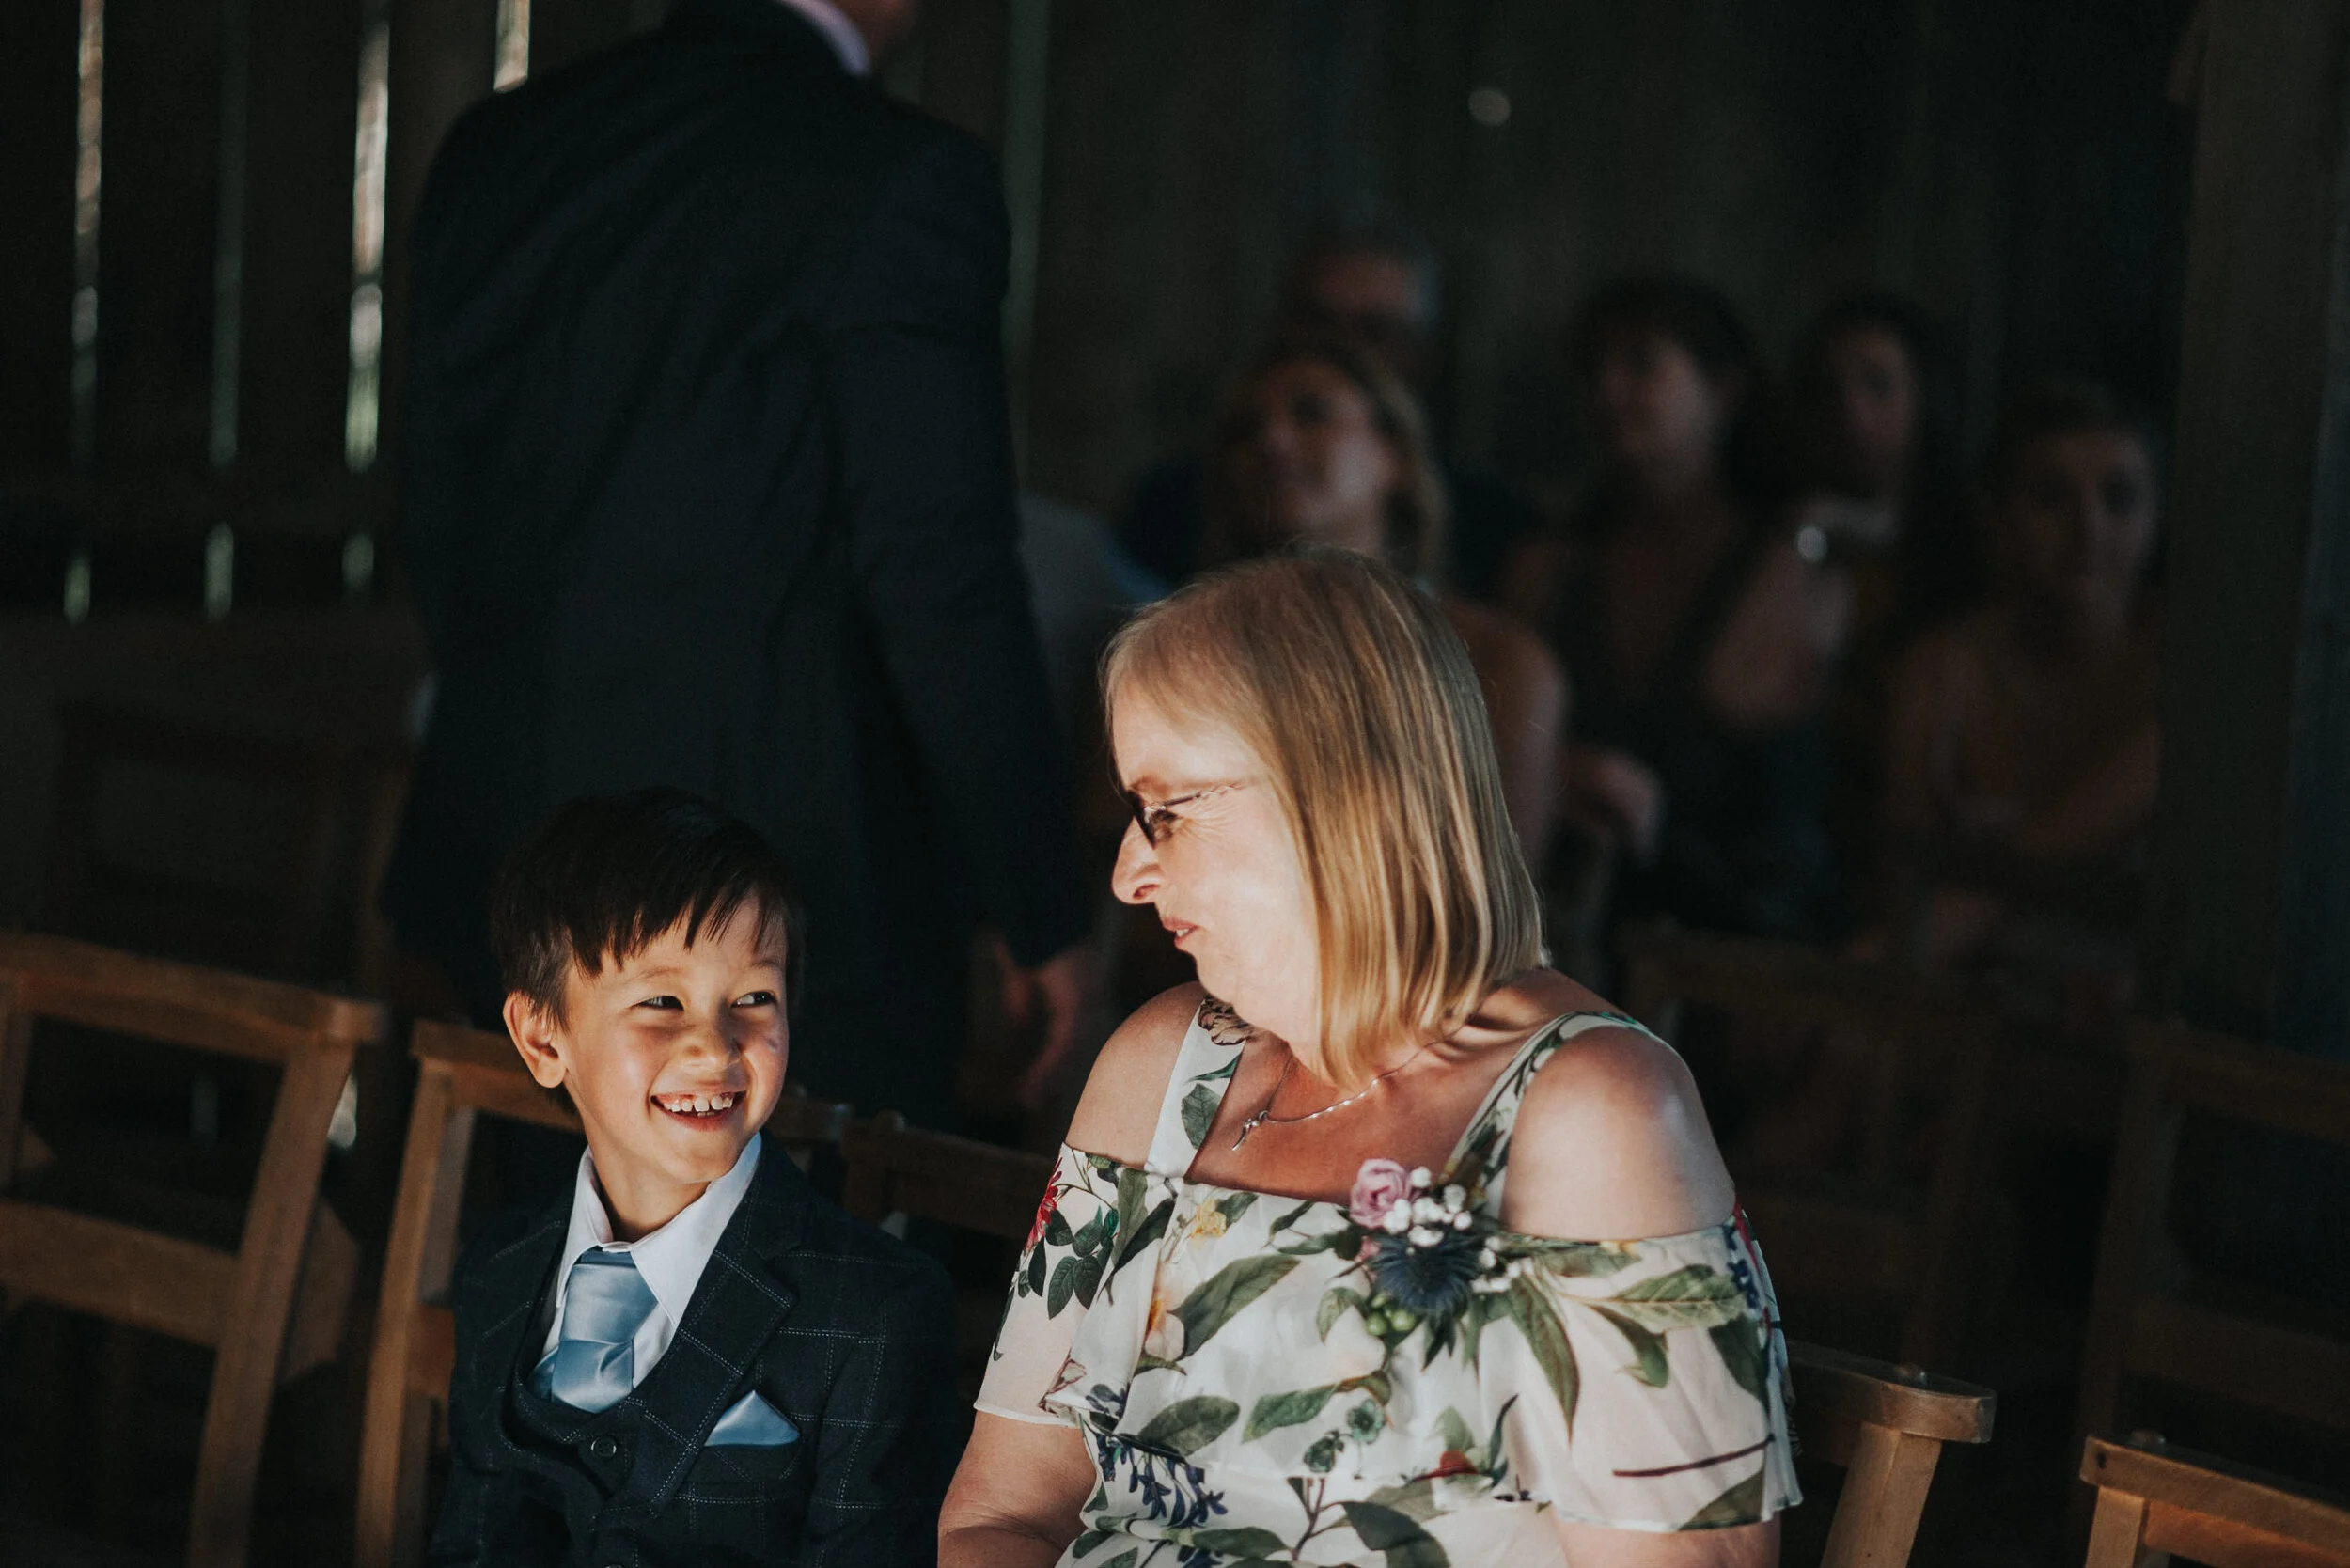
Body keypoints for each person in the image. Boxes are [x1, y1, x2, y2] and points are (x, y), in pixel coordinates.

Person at [944, 552, 1796, 1565]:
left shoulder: (1591, 1113)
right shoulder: (1163, 1065)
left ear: (1337, 793)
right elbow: (1003, 1516)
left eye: (1165, 812)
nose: (1130, 874)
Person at [380, 0, 1092, 1132]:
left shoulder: (502, 143)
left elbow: (430, 514)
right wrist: (1042, 910)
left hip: (497, 852)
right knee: (789, 1293)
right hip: (774, 898)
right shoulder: (901, 176)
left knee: (512, 1273)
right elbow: (941, 580)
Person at [431, 789, 957, 1567]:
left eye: (752, 997)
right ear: (543, 1039)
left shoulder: (875, 1314)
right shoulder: (499, 1270)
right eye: (661, 1001)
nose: (714, 1047)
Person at [1507, 274, 1849, 943]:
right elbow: (1490, 734)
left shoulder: (1796, 567)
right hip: (1582, 923)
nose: (1608, 392)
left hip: (1755, 931)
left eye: (1641, 365)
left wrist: (1805, 527)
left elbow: (1738, 693)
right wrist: (1557, 769)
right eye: (1595, 371)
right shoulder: (1551, 568)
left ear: (1722, 391)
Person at [1201, 337, 1567, 869]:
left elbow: (1500, 892)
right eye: (1245, 431)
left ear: (1393, 455)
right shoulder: (1183, 660)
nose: (1272, 441)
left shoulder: (1499, 661)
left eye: (1311, 413)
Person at [1880, 382, 2161, 975]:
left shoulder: (2185, 678)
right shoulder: (1944, 667)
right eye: (2052, 497)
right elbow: (1909, 887)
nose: (2088, 527)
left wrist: (2000, 862)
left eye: (2120, 498)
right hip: (1966, 989)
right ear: (2000, 513)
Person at [1121, 211, 1545, 599]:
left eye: (1374, 330)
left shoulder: (1497, 529)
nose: (1339, 346)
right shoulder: (1173, 505)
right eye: (1317, 321)